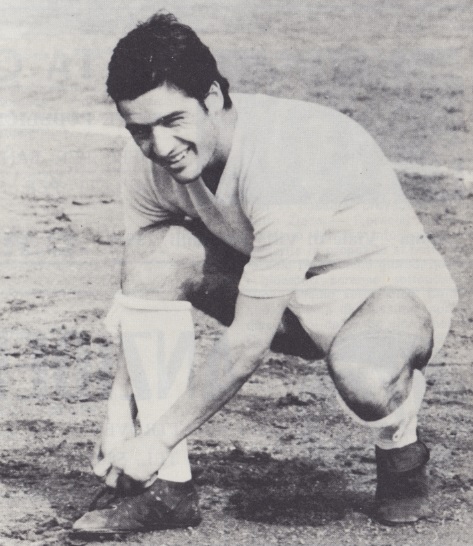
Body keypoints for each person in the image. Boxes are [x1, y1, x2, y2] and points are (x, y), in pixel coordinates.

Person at [73, 11, 458, 534]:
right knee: (156, 253)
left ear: (212, 98)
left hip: (381, 289)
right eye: (140, 130)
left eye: (173, 121)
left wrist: (153, 438)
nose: (160, 147)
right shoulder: (143, 162)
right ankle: (168, 490)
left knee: (364, 377)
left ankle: (401, 449)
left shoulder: (286, 155)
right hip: (278, 288)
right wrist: (120, 413)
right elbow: (141, 284)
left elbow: (248, 344)